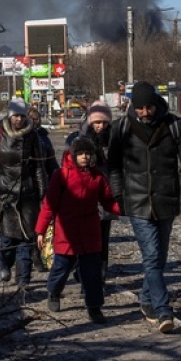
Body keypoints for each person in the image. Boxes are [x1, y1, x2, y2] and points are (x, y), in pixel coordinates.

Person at [108, 81, 181, 334]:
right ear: (133, 106)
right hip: (136, 202)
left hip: (166, 200)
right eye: (140, 108)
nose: (145, 113)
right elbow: (113, 166)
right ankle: (163, 310)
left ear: (157, 104)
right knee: (152, 256)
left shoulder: (174, 125)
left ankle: (146, 300)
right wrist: (118, 196)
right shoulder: (121, 128)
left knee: (159, 258)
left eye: (149, 107)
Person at [36, 137, 121, 324]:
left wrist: (126, 209)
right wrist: (41, 230)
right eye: (81, 153)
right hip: (66, 229)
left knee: (92, 271)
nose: (84, 157)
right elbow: (49, 205)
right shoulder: (61, 175)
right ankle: (54, 291)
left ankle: (94, 307)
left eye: (87, 153)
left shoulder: (98, 177)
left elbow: (108, 201)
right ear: (73, 155)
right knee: (62, 266)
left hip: (90, 230)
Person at [0, 99, 49, 287]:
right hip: (5, 193)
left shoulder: (32, 136)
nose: (19, 119)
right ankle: (5, 264)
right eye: (15, 116)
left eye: (21, 116)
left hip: (28, 194)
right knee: (8, 238)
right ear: (10, 116)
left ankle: (23, 281)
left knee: (27, 238)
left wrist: (44, 195)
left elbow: (39, 167)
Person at [65, 99, 115, 280]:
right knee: (83, 238)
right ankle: (82, 271)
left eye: (104, 122)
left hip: (105, 195)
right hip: (83, 196)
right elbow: (69, 168)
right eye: (97, 122)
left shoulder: (114, 139)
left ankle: (100, 277)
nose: (100, 126)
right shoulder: (78, 140)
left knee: (102, 239)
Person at [27, 105, 59, 180]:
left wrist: (58, 178)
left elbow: (52, 162)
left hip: (41, 177)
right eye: (30, 118)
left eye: (35, 119)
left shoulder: (44, 137)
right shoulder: (20, 136)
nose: (33, 121)